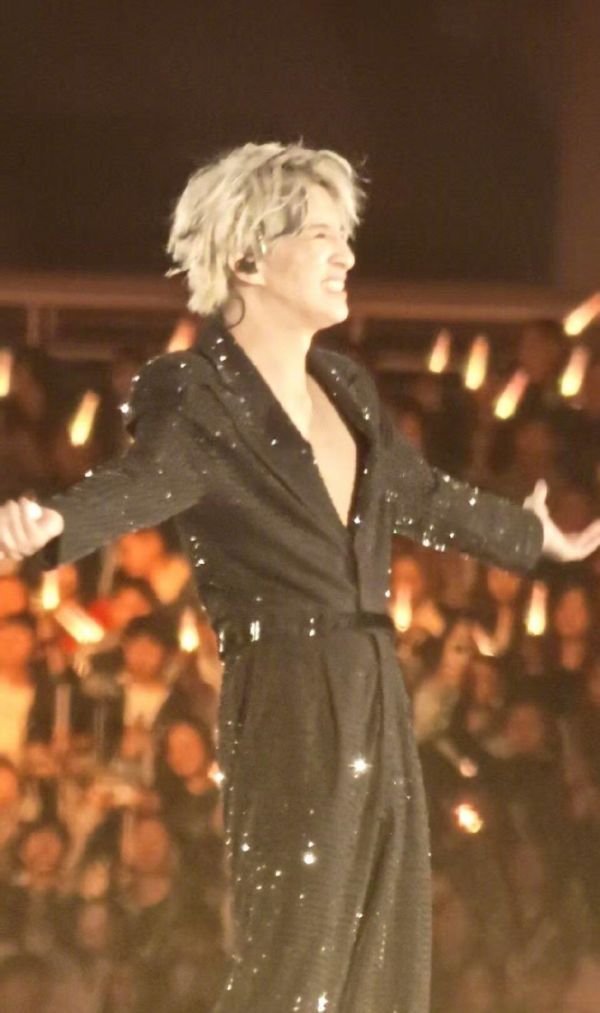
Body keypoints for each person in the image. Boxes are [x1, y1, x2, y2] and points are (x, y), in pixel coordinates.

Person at [0, 141, 599, 1013]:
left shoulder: (347, 385)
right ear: (249, 258)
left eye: (343, 235)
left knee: (385, 949)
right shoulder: (197, 390)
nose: (346, 254)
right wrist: (56, 523)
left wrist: (533, 536)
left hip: (374, 682)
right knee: (298, 957)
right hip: (286, 687)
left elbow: (421, 494)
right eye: (321, 234)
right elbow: (146, 478)